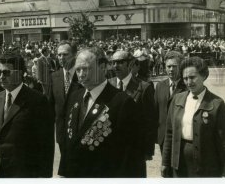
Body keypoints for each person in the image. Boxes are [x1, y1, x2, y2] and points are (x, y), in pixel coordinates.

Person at [60, 46, 141, 177]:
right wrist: (63, 172)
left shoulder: (122, 102)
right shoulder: (74, 96)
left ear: (103, 67)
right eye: (78, 70)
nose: (81, 74)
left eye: (85, 69)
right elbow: (68, 140)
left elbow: (131, 155)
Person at [161, 56, 225, 177]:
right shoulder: (177, 99)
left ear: (203, 76)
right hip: (179, 163)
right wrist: (165, 162)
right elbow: (169, 133)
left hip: (206, 165)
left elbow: (224, 141)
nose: (189, 82)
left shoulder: (216, 103)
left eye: (192, 77)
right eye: (185, 78)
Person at [0, 52, 55, 178]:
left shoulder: (37, 101)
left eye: (6, 72)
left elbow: (46, 145)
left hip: (24, 173)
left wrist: (44, 177)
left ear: (19, 73)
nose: (1, 76)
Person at [108, 50, 149, 177]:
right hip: (111, 148)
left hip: (134, 149)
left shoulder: (144, 87)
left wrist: (147, 150)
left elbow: (150, 121)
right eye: (113, 62)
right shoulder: (108, 84)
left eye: (120, 62)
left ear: (130, 64)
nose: (115, 66)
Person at [48, 40, 83, 176]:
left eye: (65, 54)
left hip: (80, 129)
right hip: (62, 130)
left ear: (74, 55)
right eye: (59, 55)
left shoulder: (83, 75)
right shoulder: (54, 76)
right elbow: (50, 105)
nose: (61, 58)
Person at [155, 51, 186, 153]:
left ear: (181, 67)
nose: (171, 69)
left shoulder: (187, 87)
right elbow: (155, 112)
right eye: (168, 66)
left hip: (181, 137)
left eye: (174, 66)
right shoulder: (160, 86)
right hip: (163, 138)